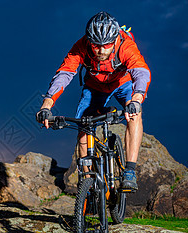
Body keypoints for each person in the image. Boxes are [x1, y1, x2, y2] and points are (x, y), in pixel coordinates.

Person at [36, 11, 151, 191]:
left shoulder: (125, 46)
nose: (101, 50)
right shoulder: (81, 46)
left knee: (135, 114)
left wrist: (136, 99)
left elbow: (141, 72)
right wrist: (47, 104)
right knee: (83, 127)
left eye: (106, 45)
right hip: (95, 88)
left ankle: (129, 171)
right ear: (89, 40)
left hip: (124, 84)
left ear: (114, 40)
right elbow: (64, 74)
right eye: (96, 45)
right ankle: (88, 183)